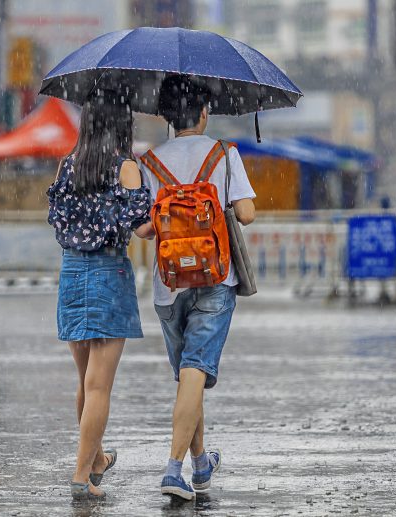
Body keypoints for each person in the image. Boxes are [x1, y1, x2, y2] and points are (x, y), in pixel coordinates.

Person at [141, 77, 257, 501]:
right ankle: (174, 470)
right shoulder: (224, 154)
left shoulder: (150, 161)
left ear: (168, 118)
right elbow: (247, 213)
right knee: (194, 371)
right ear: (204, 112)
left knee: (188, 374)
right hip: (215, 277)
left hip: (169, 285)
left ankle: (202, 463)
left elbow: (143, 230)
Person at [47, 89, 152, 500]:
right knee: (99, 387)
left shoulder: (66, 165)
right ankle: (80, 477)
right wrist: (164, 210)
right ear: (121, 125)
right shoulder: (126, 167)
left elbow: (57, 221)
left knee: (84, 382)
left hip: (72, 274)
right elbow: (142, 228)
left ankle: (96, 461)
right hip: (108, 273)